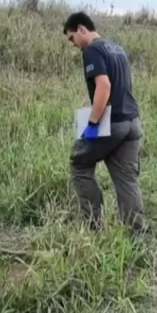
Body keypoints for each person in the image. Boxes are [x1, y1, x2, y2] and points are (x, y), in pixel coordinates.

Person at [62, 12, 148, 235]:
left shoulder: (92, 49)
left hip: (112, 122)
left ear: (82, 29)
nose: (73, 44)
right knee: (127, 179)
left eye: (72, 38)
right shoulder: (117, 48)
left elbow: (104, 87)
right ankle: (137, 233)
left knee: (79, 164)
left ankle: (93, 226)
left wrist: (92, 123)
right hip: (132, 122)